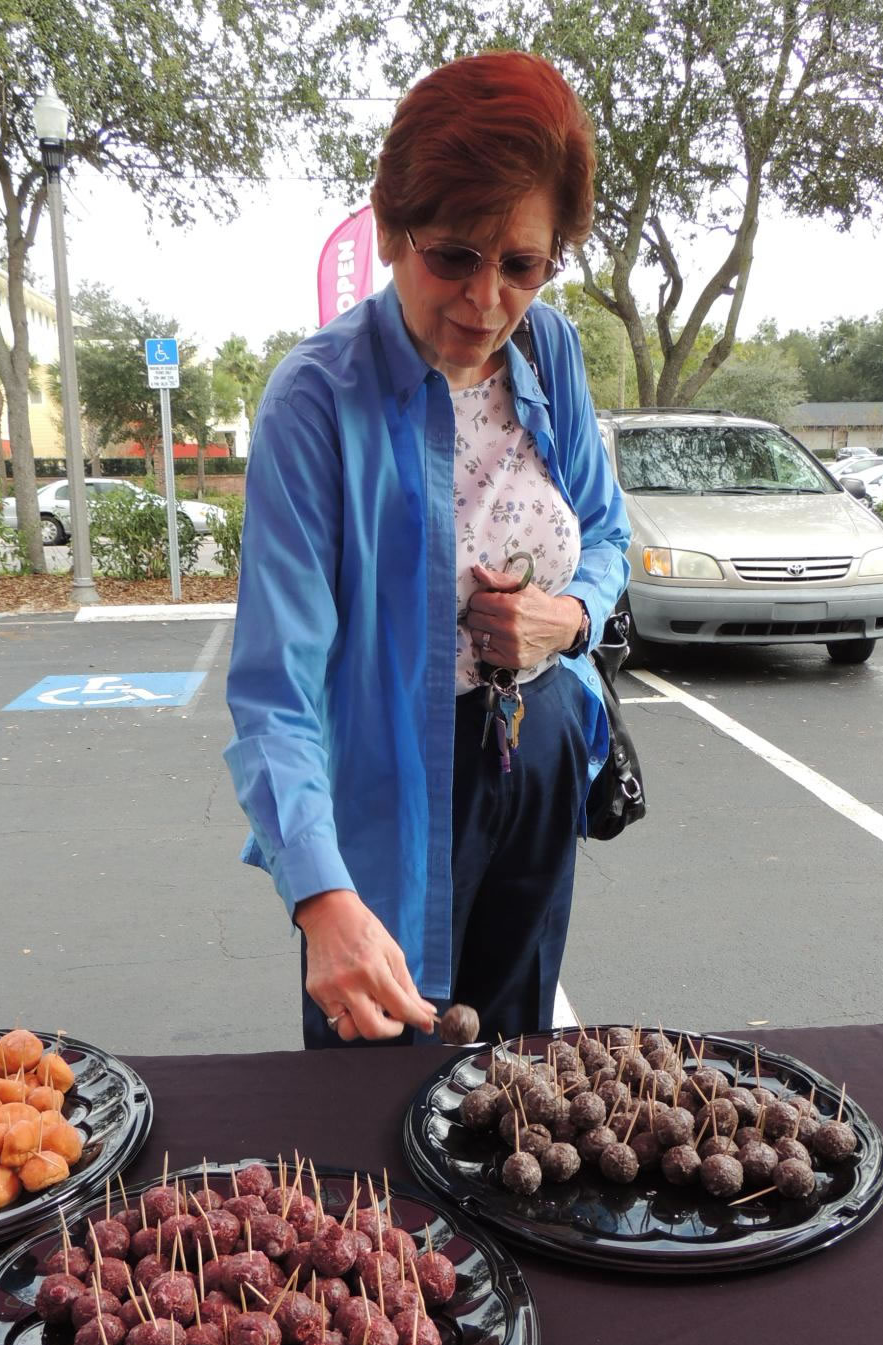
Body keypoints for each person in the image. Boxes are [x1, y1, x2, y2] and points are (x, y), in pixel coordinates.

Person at [224, 51, 631, 1049]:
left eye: (522, 265)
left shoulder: (551, 352)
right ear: (391, 227)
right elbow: (277, 687)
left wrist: (568, 618)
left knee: (523, 1075)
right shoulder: (317, 401)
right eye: (454, 256)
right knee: (380, 1079)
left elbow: (607, 532)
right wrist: (320, 896)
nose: (486, 299)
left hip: (538, 746)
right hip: (390, 783)